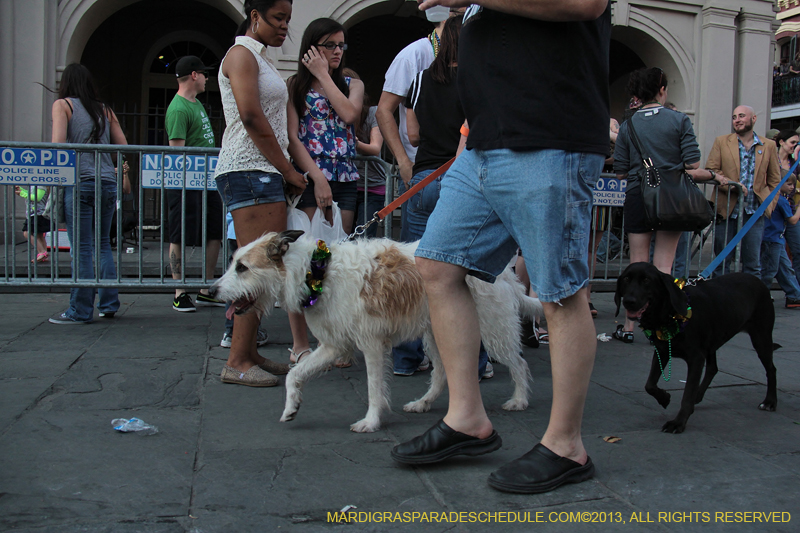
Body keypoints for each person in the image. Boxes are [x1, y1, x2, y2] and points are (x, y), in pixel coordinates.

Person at [390, 0, 608, 495]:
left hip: (551, 138)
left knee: (560, 290)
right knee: (437, 266)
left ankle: (566, 446)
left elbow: (585, 4)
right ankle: (467, 419)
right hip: (482, 146)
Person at [213, 0, 306, 386]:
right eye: (278, 18)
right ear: (255, 16)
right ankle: (236, 360)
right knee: (255, 270)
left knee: (262, 270)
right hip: (250, 169)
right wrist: (288, 170)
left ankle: (248, 352)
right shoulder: (241, 54)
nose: (285, 26)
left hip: (260, 170)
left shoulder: (260, 57)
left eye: (288, 18)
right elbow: (252, 116)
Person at [612, 67, 723, 342]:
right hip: (671, 197)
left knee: (637, 263)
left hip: (638, 195)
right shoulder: (678, 120)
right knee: (664, 266)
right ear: (662, 89)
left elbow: (621, 171)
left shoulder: (628, 125)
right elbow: (692, 163)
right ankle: (660, 327)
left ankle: (628, 328)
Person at [285, 18, 363, 368]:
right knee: (310, 263)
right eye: (329, 45)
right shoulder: (294, 87)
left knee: (335, 262)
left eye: (341, 45)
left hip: (345, 179)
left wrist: (325, 75)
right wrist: (317, 178)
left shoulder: (351, 82)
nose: (336, 51)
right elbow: (292, 137)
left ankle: (335, 338)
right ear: (312, 47)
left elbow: (349, 113)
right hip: (312, 179)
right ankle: (303, 343)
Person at [48, 63, 130, 325]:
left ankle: (80, 310)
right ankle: (108, 303)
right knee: (103, 244)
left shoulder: (63, 106)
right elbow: (125, 145)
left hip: (80, 181)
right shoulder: (104, 109)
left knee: (82, 249)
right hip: (107, 182)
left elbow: (58, 145)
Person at [165, 55, 225, 312]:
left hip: (207, 179)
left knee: (214, 232)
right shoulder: (179, 108)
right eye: (204, 73)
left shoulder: (196, 103)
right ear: (193, 75)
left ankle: (204, 288)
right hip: (187, 182)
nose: (206, 78)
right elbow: (177, 151)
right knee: (179, 233)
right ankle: (180, 291)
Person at [706, 105, 781, 277]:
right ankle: (721, 300)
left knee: (752, 264)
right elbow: (712, 170)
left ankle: (750, 302)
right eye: (734, 117)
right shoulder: (722, 141)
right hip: (726, 211)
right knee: (721, 262)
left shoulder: (768, 145)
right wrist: (733, 185)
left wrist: (769, 205)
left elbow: (775, 180)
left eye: (741, 116)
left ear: (753, 119)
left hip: (754, 212)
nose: (737, 120)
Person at [760, 175, 800, 308]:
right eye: (788, 184)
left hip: (777, 238)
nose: (792, 187)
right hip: (772, 239)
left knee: (785, 268)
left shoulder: (773, 198)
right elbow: (793, 220)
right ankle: (761, 296)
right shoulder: (781, 200)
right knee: (769, 271)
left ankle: (794, 296)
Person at [773, 130, 800, 293]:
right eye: (793, 142)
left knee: (797, 249)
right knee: (774, 250)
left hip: (790, 210)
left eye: (797, 143)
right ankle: (793, 291)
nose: (795, 146)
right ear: (782, 142)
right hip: (773, 212)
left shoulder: (795, 163)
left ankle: (796, 289)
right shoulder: (771, 159)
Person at [15, 185, 51, 262]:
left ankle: (42, 252)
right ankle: (44, 255)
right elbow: (31, 194)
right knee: (39, 235)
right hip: (34, 213)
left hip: (37, 214)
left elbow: (37, 198)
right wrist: (22, 190)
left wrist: (22, 193)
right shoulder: (35, 186)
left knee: (26, 233)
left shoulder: (41, 186)